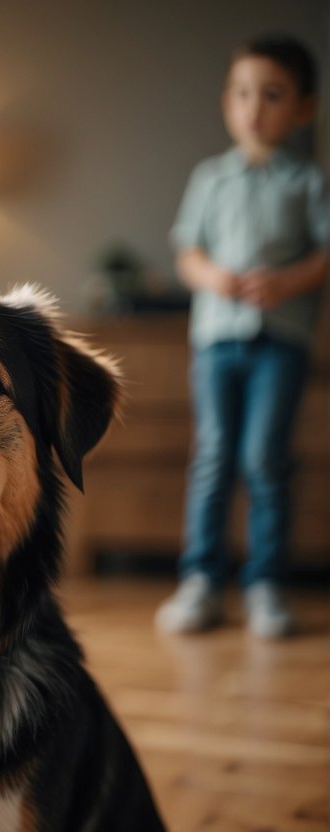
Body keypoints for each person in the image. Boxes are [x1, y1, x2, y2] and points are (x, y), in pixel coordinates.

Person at [156, 34, 328, 638]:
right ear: (229, 101)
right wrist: (216, 278)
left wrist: (285, 282)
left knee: (264, 459)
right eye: (243, 93)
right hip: (215, 341)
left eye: (273, 95)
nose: (254, 108)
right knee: (213, 456)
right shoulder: (211, 177)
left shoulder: (307, 182)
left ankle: (266, 585)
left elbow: (325, 253)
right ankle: (201, 579)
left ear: (302, 109)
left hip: (280, 342)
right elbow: (188, 253)